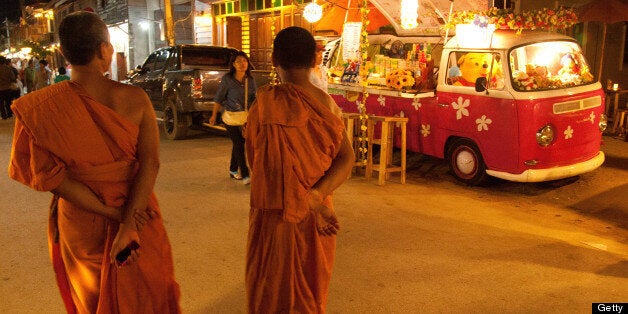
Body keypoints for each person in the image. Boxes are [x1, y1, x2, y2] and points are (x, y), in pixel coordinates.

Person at [8, 11, 180, 313]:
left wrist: (110, 212)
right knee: (145, 293)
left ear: (63, 53)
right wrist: (127, 221)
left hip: (81, 221)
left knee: (91, 297)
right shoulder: (135, 98)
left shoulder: (42, 108)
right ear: (104, 49)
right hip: (137, 210)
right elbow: (150, 163)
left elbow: (53, 179)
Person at [244, 26, 354, 313]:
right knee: (308, 288)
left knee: (269, 287)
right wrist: (317, 193)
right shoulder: (327, 105)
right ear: (315, 61)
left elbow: (254, 161)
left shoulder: (265, 104)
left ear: (273, 59)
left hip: (273, 212)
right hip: (314, 209)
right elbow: (347, 158)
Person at [208, 51, 257, 184]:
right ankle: (245, 174)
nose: (242, 64)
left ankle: (233, 169)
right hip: (230, 116)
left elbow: (254, 99)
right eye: (239, 61)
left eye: (244, 61)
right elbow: (219, 97)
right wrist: (213, 115)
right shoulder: (227, 80)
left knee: (239, 143)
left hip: (245, 116)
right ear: (233, 64)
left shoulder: (250, 80)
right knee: (239, 144)